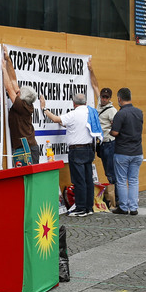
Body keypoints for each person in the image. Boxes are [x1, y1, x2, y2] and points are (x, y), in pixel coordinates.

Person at [44, 79, 103, 217]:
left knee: (79, 180)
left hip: (77, 151)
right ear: (86, 103)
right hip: (89, 149)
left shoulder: (73, 114)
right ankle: (89, 207)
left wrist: (44, 109)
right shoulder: (91, 112)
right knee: (88, 179)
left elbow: (56, 119)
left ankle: (81, 208)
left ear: (74, 103)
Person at [1, 45, 42, 165]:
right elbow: (13, 81)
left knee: (29, 179)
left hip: (26, 150)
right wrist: (8, 60)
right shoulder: (25, 103)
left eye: (19, 92)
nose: (17, 91)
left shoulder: (22, 106)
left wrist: (3, 69)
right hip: (27, 148)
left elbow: (9, 88)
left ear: (22, 97)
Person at [110, 87, 144, 215]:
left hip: (122, 152)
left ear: (119, 99)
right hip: (137, 151)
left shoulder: (120, 114)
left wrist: (110, 129)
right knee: (134, 180)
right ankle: (134, 207)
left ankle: (123, 207)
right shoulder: (139, 112)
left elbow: (115, 132)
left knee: (122, 180)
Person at [98, 87, 118, 208]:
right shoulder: (98, 106)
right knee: (108, 171)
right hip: (102, 143)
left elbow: (116, 127)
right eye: (102, 96)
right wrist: (91, 70)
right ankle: (115, 198)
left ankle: (116, 198)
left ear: (110, 98)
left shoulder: (112, 110)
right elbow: (95, 87)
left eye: (106, 97)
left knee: (111, 172)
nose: (104, 99)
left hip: (109, 142)